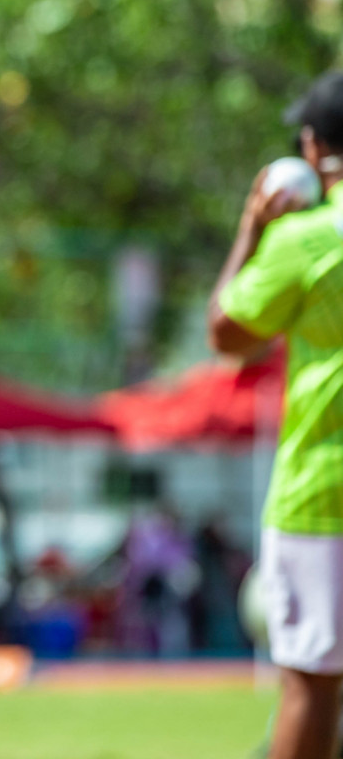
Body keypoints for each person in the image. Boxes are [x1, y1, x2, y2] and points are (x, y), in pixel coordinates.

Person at [207, 70, 343, 759]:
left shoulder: (308, 239)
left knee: (312, 689)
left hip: (323, 498)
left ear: (316, 147)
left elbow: (227, 332)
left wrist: (251, 232)